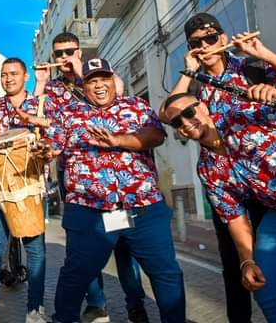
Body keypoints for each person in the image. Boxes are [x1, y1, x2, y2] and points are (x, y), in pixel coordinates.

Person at [164, 12, 276, 322]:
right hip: (249, 190)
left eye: (212, 39)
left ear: (223, 38)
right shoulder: (198, 90)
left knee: (275, 275)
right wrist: (189, 70)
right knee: (251, 271)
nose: (206, 46)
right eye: (197, 43)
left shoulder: (253, 70)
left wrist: (263, 58)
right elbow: (170, 112)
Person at [47, 58, 185, 323]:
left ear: (114, 79)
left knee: (166, 273)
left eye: (104, 78)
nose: (99, 85)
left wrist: (119, 140)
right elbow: (52, 146)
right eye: (92, 81)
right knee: (76, 274)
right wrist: (45, 152)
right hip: (89, 211)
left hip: (142, 207)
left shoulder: (135, 105)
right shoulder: (67, 114)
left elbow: (156, 135)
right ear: (83, 85)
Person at [35, 33, 148, 323]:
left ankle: (136, 304)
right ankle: (97, 303)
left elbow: (120, 100)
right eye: (58, 53)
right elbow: (42, 119)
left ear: (79, 51)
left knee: (124, 243)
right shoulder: (55, 89)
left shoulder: (102, 75)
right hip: (77, 176)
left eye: (68, 52)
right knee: (84, 246)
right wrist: (41, 85)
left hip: (117, 176)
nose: (63, 58)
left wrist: (80, 75)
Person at [0, 57, 51, 323]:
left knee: (36, 250)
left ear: (25, 76)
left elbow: (53, 140)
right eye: (4, 74)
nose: (8, 78)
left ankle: (34, 309)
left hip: (31, 191)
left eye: (14, 73)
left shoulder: (41, 105)